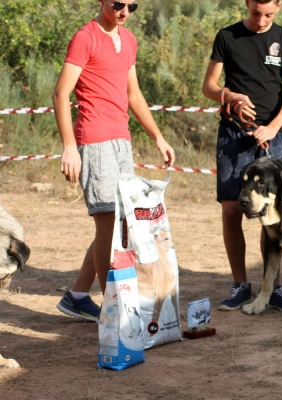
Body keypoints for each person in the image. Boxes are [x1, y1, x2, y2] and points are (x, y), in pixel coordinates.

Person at [53, 0, 175, 321]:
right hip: (93, 140)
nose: (124, 12)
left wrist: (157, 136)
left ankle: (78, 295)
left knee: (116, 225)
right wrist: (69, 146)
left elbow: (133, 94)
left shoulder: (128, 39)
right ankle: (116, 308)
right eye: (118, 4)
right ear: (102, 1)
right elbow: (60, 93)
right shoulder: (86, 37)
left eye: (132, 5)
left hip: (122, 140)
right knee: (107, 221)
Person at [202, 0, 282, 312]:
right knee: (232, 212)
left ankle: (271, 286)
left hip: (271, 142)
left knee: (271, 217)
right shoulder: (227, 36)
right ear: (247, 4)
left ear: (280, 6)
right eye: (255, 13)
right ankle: (240, 285)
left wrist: (272, 128)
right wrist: (228, 96)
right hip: (233, 138)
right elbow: (208, 85)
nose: (261, 21)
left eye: (269, 14)